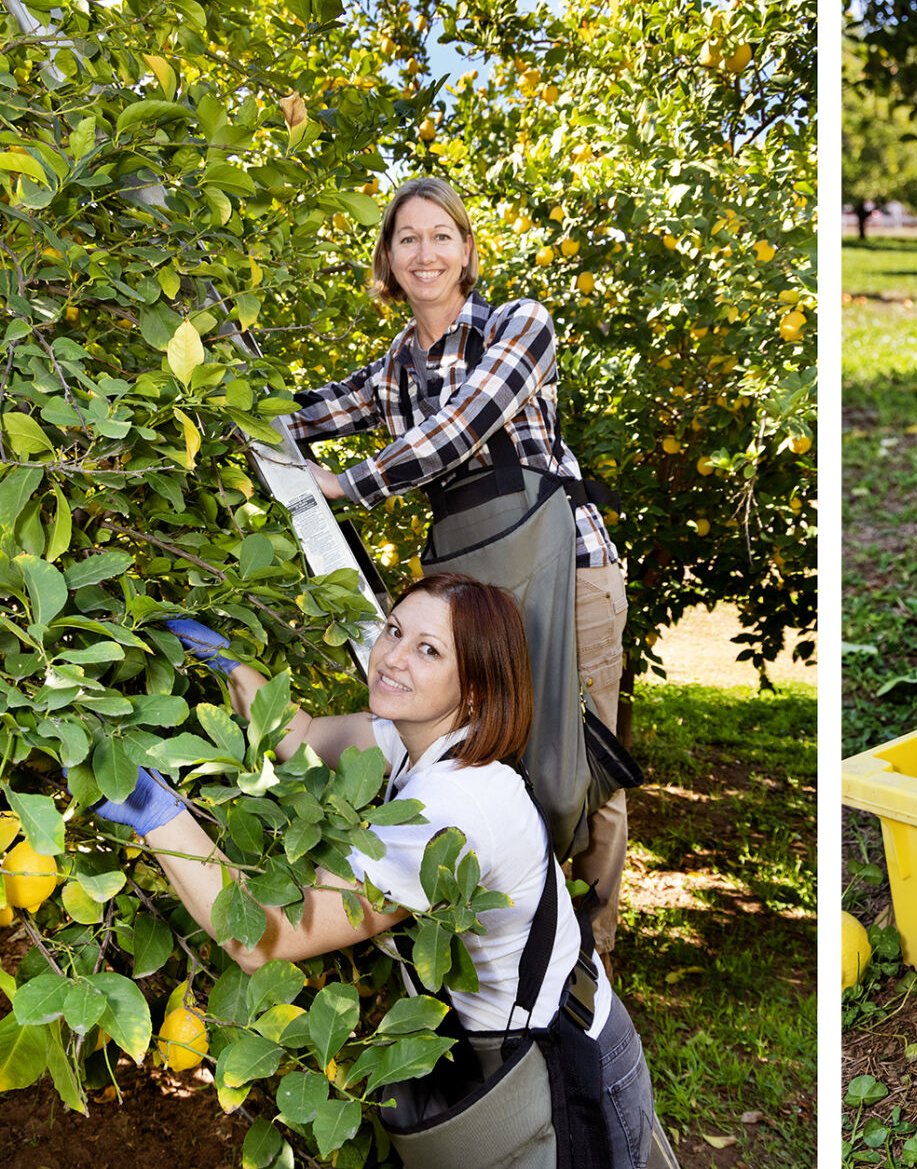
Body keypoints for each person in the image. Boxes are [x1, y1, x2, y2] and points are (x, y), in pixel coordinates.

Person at [96, 575, 675, 1168]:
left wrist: (154, 812)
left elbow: (261, 933)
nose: (393, 657)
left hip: (563, 1068)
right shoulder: (427, 738)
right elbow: (302, 736)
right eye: (395, 630)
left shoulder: (448, 813)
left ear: (476, 685)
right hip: (541, 1039)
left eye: (430, 650)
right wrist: (224, 662)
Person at [276, 176, 631, 970]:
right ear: (389, 260)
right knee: (491, 756)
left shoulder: (520, 324)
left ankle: (593, 951)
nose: (425, 252)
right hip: (479, 591)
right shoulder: (392, 370)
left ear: (467, 250)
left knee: (583, 764)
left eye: (441, 235)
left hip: (570, 572)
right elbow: (302, 413)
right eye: (407, 238)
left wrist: (346, 482)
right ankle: (502, 933)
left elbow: (459, 428)